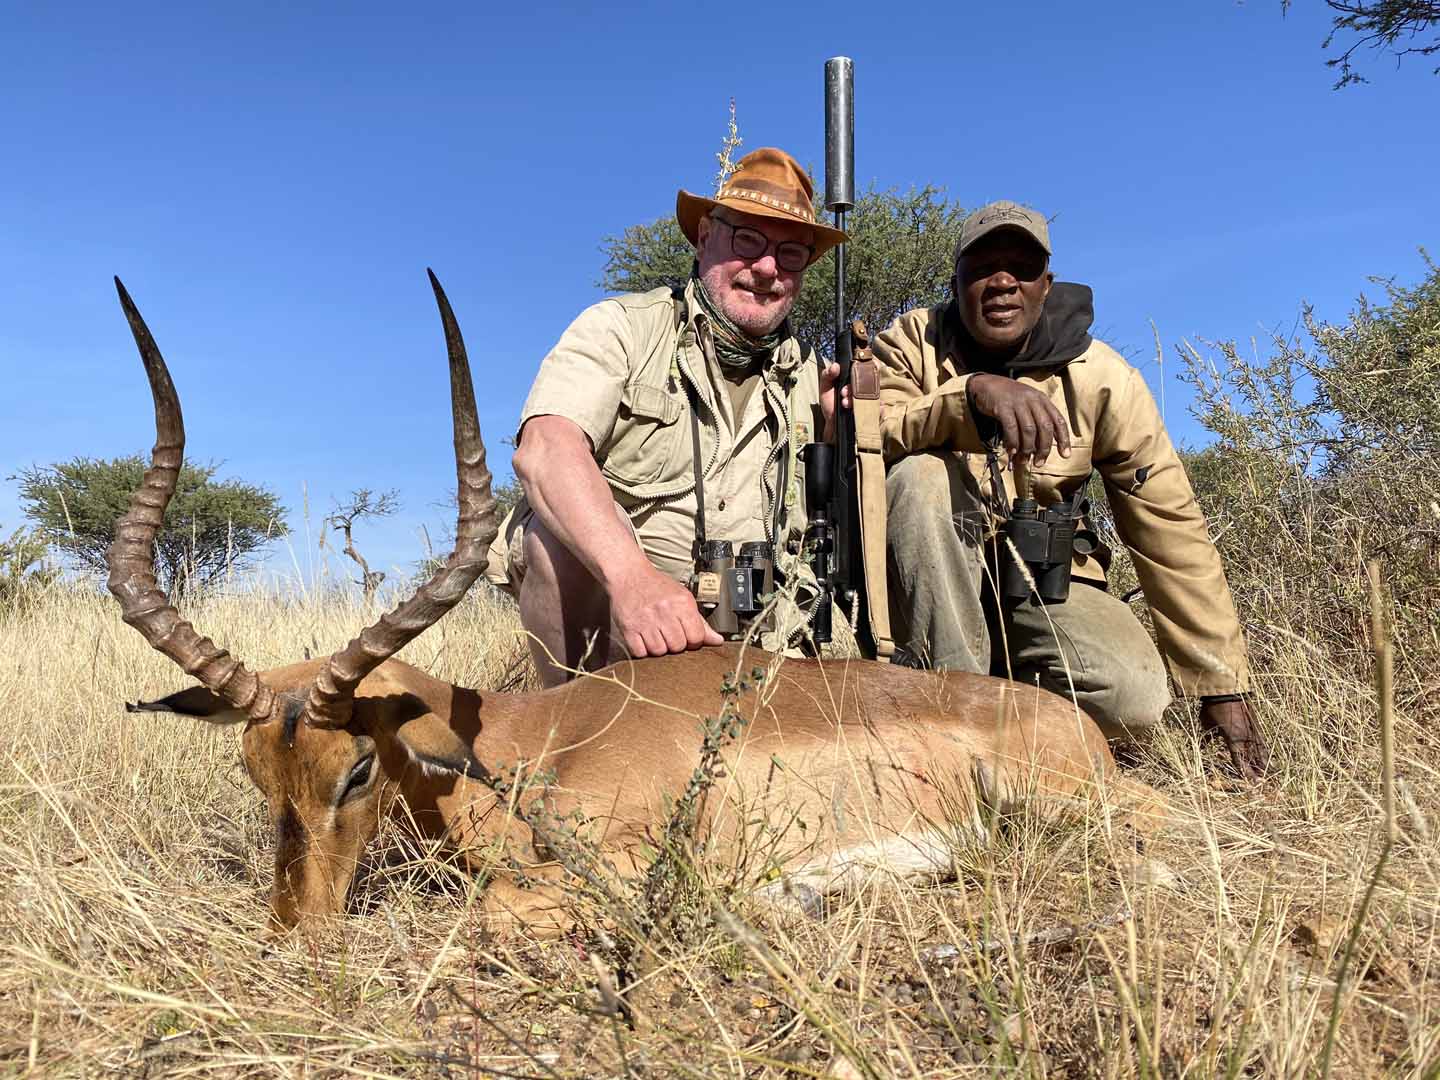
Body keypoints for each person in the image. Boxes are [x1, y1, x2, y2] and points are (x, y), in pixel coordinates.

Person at [872, 200, 1271, 780]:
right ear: (956, 282)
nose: (1002, 282)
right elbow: (872, 429)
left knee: (1134, 701)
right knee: (918, 478)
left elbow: (1169, 528)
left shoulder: (1102, 376)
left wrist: (1220, 686)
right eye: (982, 268)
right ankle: (957, 724)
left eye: (1022, 268)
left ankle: (1015, 705)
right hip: (931, 585)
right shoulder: (910, 342)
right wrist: (970, 395)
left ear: (1046, 284)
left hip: (1047, 580)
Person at [487, 148, 845, 686]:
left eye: (791, 253)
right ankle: (578, 722)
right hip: (628, 627)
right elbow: (545, 451)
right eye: (748, 240)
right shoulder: (621, 329)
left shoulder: (814, 380)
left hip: (760, 647)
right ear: (705, 238)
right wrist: (632, 580)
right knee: (552, 537)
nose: (768, 268)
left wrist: (841, 436)